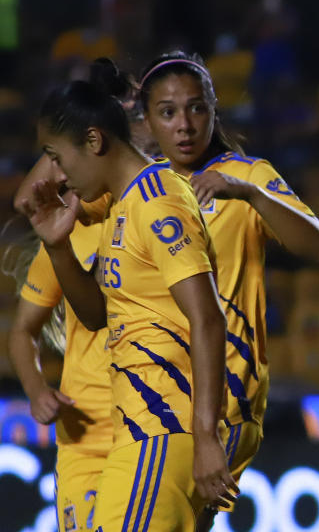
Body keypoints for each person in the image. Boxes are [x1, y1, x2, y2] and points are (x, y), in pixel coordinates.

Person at [22, 63, 237, 530]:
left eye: (57, 157)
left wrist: (205, 437)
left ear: (94, 142)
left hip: (163, 425)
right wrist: (58, 249)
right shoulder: (124, 205)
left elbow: (208, 318)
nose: (56, 173)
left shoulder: (157, 199)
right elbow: (97, 317)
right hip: (136, 428)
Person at [135, 51, 319, 529]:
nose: (184, 124)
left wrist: (249, 194)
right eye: (167, 112)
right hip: (150, 389)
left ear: (213, 111)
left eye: (196, 108)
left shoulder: (247, 175)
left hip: (227, 393)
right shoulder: (139, 188)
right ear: (147, 121)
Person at [8, 60, 138, 532]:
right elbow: (23, 331)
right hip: (84, 431)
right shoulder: (69, 229)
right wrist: (37, 390)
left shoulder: (155, 214)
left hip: (148, 424)